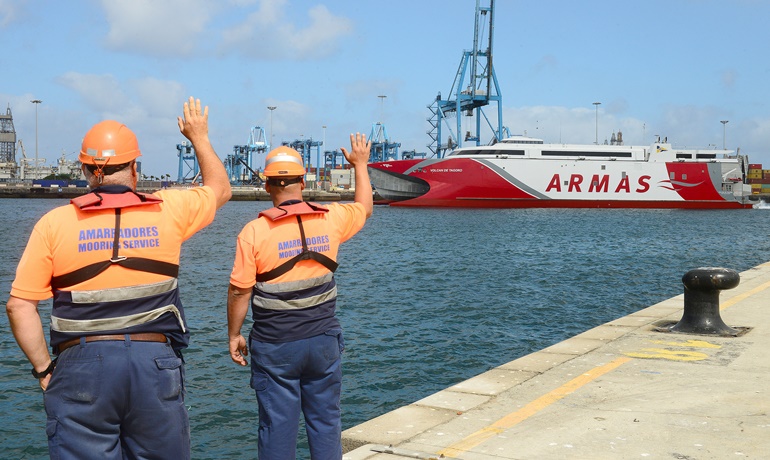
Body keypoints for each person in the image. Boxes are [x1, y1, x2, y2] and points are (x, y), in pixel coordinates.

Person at [6, 97, 231, 459]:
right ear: (135, 171)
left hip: (81, 366)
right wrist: (199, 137)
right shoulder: (170, 209)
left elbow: (19, 306)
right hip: (156, 363)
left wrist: (43, 369)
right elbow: (220, 188)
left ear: (85, 170)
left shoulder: (54, 224)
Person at [227, 133, 373, 459]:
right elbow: (364, 207)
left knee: (277, 429)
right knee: (325, 424)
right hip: (324, 342)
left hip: (276, 347)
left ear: (267, 186)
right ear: (303, 182)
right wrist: (360, 164)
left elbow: (239, 290)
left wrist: (234, 334)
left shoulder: (254, 232)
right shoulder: (331, 219)